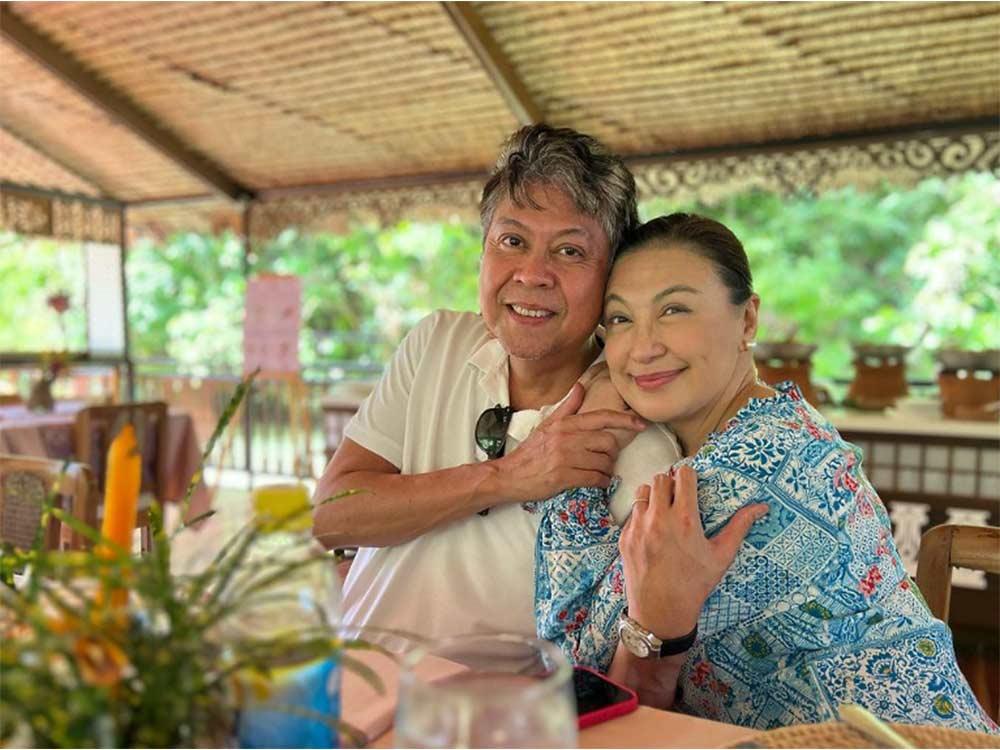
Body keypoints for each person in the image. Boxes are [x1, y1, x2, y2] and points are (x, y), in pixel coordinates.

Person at [533, 213, 998, 733]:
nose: (641, 348)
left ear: (748, 321)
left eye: (674, 310)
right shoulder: (774, 420)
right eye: (619, 320)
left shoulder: (752, 474)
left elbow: (576, 668)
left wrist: (580, 444)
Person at [311, 124, 680, 641]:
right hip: (359, 681)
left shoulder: (633, 429)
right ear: (483, 250)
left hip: (502, 710)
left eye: (570, 251)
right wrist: (510, 477)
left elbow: (629, 635)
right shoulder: (437, 343)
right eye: (512, 241)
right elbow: (330, 518)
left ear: (611, 275)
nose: (532, 274)